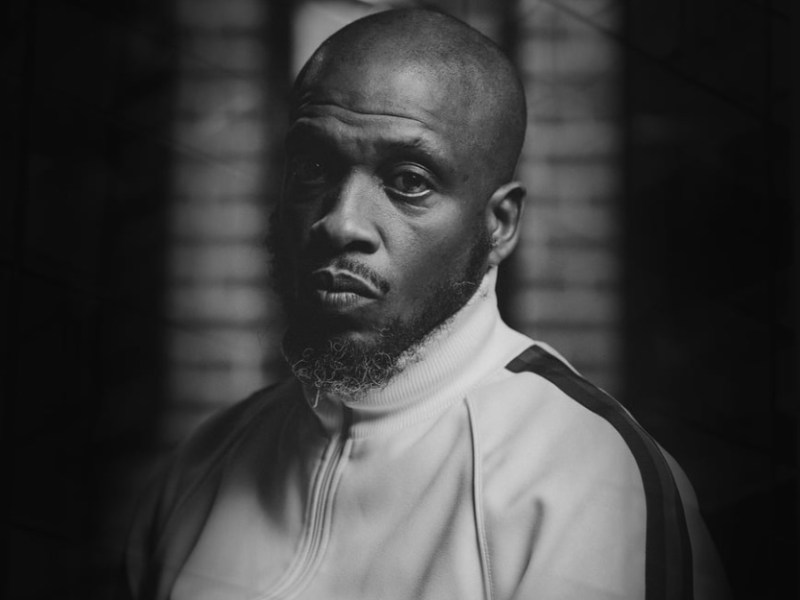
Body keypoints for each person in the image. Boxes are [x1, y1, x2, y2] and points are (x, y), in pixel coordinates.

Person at [124, 8, 730, 600]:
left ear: (499, 224)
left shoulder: (588, 486)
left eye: (409, 181)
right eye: (313, 166)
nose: (341, 222)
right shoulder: (204, 464)